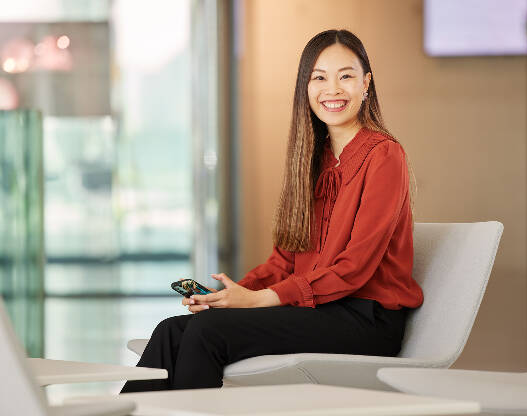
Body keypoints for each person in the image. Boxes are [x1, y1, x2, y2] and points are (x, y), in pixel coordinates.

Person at [121, 29, 423, 392]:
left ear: (366, 84)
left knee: (206, 333)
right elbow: (284, 261)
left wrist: (258, 300)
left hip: (366, 320)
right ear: (305, 87)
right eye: (319, 78)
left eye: (346, 76)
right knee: (170, 331)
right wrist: (233, 295)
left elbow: (354, 268)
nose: (333, 89)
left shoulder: (384, 155)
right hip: (317, 312)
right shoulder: (311, 160)